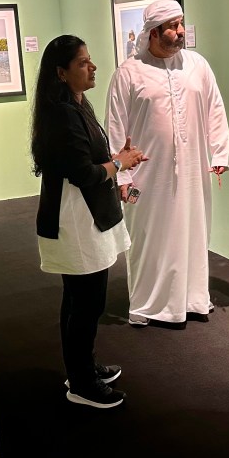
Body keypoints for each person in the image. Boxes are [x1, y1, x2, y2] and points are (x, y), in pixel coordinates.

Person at [32, 35, 147, 409]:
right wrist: (120, 164)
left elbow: (86, 160)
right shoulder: (64, 114)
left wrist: (116, 159)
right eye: (83, 62)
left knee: (80, 300)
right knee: (85, 303)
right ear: (61, 73)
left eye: (90, 59)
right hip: (76, 220)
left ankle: (82, 367)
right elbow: (84, 173)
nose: (93, 66)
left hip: (83, 215)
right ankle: (82, 383)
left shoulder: (75, 106)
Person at [106, 0, 229, 327]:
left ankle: (191, 299)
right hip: (143, 177)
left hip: (193, 171)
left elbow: (215, 109)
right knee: (147, 236)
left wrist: (219, 153)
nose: (180, 31)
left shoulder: (197, 65)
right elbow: (115, 127)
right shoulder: (128, 73)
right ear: (153, 32)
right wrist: (122, 177)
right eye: (173, 27)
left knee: (193, 232)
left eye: (181, 24)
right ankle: (147, 304)